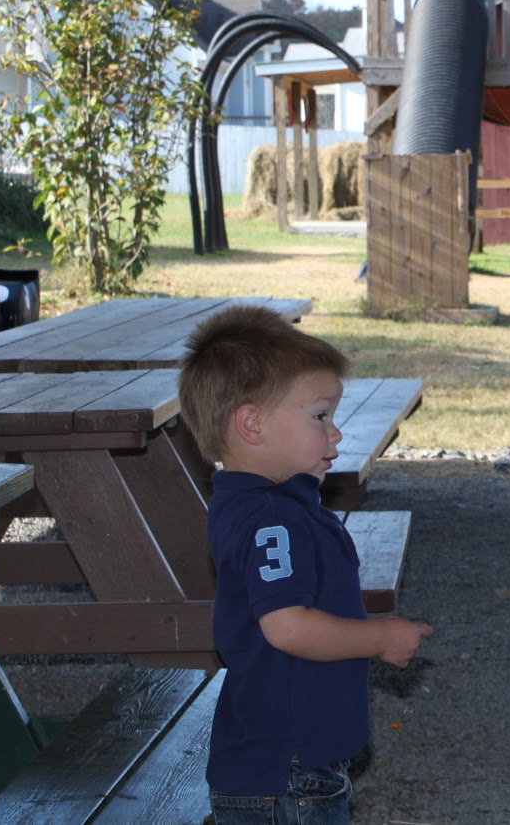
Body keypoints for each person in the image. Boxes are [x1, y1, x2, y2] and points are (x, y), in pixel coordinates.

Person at [179, 305, 434, 825]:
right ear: (251, 424)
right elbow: (288, 626)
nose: (336, 434)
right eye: (320, 416)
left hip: (275, 756)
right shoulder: (274, 519)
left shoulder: (252, 505)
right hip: (288, 767)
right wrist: (380, 637)